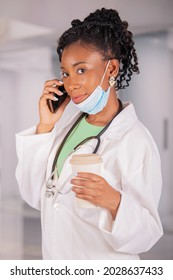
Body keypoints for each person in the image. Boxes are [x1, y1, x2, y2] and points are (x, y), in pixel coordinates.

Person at [15, 8, 163, 260]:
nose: (71, 84)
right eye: (65, 73)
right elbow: (36, 196)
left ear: (112, 69)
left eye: (81, 70)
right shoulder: (65, 126)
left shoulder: (135, 140)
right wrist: (45, 126)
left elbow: (147, 235)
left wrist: (114, 202)